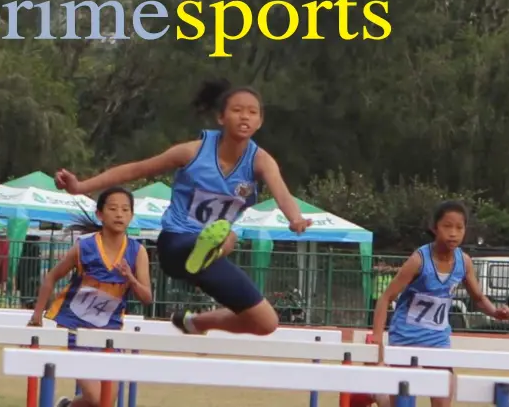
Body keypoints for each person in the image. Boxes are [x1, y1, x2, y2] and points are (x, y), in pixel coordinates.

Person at [54, 79, 311, 336]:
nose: (245, 116)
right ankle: (209, 246)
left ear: (260, 122)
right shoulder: (192, 152)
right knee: (229, 234)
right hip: (176, 244)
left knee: (267, 323)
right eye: (237, 110)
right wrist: (80, 186)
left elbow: (282, 192)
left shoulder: (261, 161)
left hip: (207, 260)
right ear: (221, 117)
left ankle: (196, 323)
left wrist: (295, 218)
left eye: (252, 112)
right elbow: (134, 169)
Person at [372, 200, 509, 407]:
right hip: (406, 336)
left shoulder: (464, 261)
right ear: (434, 227)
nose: (453, 233)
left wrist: (495, 312)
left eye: (459, 227)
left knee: (443, 397)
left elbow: (479, 298)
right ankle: (377, 395)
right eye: (447, 226)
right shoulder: (419, 260)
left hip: (438, 338)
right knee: (402, 399)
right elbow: (386, 298)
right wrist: (377, 338)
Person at [28, 187, 153, 407]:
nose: (119, 214)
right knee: (96, 398)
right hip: (75, 329)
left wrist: (131, 278)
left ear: (132, 216)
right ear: (100, 214)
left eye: (125, 210)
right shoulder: (84, 248)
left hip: (109, 332)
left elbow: (147, 298)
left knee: (104, 402)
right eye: (113, 208)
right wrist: (37, 316)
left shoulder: (137, 252)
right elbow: (51, 277)